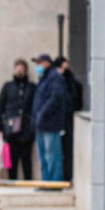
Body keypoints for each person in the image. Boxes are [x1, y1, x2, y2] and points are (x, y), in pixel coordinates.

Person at [0, 59, 36, 181]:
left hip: (27, 129)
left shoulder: (32, 87)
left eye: (22, 69)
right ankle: (12, 182)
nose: (19, 71)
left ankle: (28, 182)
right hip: (11, 129)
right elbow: (0, 107)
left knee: (26, 158)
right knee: (12, 158)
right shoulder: (8, 87)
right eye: (18, 68)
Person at [31, 53, 69, 183]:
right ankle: (46, 182)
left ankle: (54, 182)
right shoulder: (44, 78)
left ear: (47, 63)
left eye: (39, 63)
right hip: (41, 125)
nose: (38, 66)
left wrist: (42, 113)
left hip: (51, 124)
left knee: (52, 155)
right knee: (42, 156)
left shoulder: (54, 78)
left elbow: (56, 98)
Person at [54, 56, 83, 182]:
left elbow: (76, 102)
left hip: (68, 121)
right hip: (56, 122)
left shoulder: (72, 83)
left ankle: (66, 176)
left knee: (67, 151)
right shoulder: (54, 82)